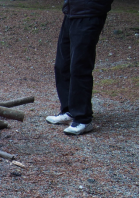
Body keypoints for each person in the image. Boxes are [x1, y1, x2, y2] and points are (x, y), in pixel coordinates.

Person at [46, 0, 114, 135]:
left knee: (80, 66)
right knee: (62, 65)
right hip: (72, 12)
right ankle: (69, 111)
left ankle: (83, 119)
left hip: (89, 13)